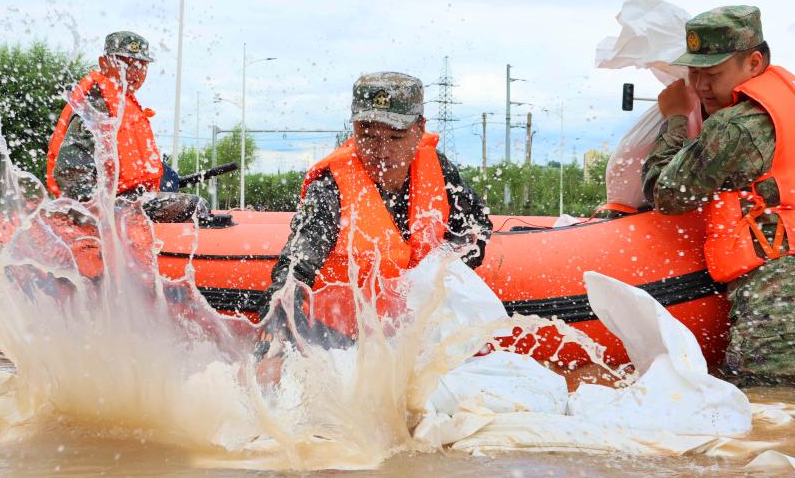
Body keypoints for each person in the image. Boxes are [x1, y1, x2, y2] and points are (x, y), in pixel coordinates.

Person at [642, 6, 795, 387]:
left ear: (754, 62)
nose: (700, 86)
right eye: (694, 73)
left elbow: (665, 193)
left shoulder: (737, 126)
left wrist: (675, 118)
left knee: (754, 428)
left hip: (779, 321)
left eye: (713, 74)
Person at [258, 72, 492, 354]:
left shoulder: (439, 170)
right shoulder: (330, 186)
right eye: (367, 135)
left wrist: (440, 272)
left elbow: (477, 229)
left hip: (415, 334)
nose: (381, 151)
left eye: (395, 137)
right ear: (353, 128)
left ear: (419, 130)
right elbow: (297, 264)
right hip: (338, 338)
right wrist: (277, 328)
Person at [46, 31, 206, 223]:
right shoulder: (95, 107)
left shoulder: (122, 102)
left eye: (141, 66)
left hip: (125, 201)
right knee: (196, 206)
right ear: (104, 63)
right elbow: (70, 170)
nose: (134, 72)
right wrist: (95, 215)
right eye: (125, 64)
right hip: (106, 209)